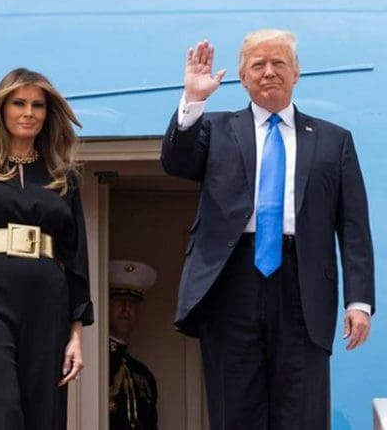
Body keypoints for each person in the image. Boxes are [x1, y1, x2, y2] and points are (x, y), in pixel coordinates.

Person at [160, 29, 375, 429]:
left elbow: (354, 226)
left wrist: (358, 301)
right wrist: (193, 100)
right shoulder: (215, 129)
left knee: (302, 410)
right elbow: (177, 162)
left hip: (304, 284)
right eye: (258, 65)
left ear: (297, 74)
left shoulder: (333, 140)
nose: (269, 72)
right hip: (231, 281)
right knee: (235, 407)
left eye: (279, 63)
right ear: (242, 78)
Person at [0, 68, 93, 430]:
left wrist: (76, 335)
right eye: (19, 103)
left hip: (48, 297)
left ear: (48, 114)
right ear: (2, 109)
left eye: (38, 105)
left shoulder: (64, 177)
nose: (29, 112)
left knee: (42, 405)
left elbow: (76, 258)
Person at [108, 260, 158, 430]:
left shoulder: (142, 374)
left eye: (133, 302)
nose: (126, 308)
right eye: (119, 300)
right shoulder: (95, 365)